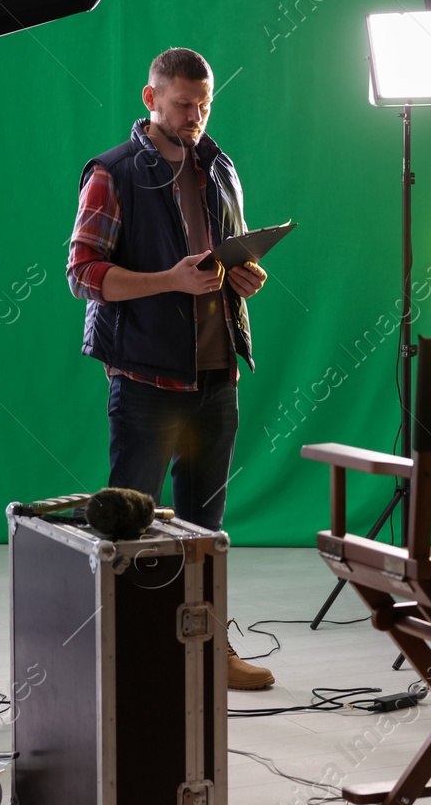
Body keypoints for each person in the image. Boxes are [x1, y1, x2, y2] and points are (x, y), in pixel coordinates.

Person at [67, 47, 275, 690]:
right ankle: (130, 657)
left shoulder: (220, 167)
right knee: (133, 526)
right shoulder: (113, 172)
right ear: (150, 98)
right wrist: (168, 280)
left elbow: (226, 264)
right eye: (184, 104)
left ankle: (208, 651)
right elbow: (83, 275)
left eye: (205, 104)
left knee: (205, 529)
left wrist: (246, 279)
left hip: (218, 377)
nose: (196, 117)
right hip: (146, 381)